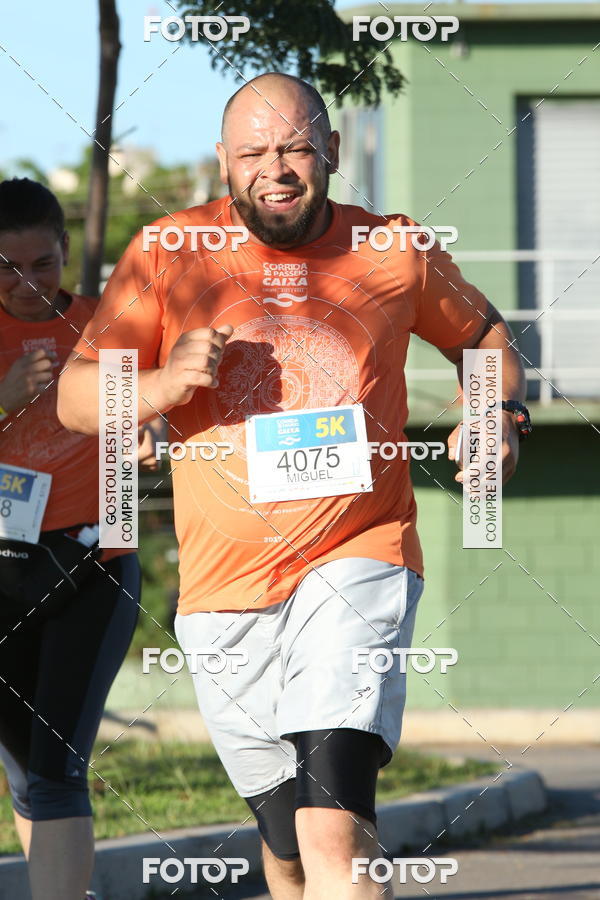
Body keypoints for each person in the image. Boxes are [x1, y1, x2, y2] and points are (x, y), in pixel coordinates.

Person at [58, 73, 527, 898]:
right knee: (285, 845)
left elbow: (487, 339)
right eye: (253, 152)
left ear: (332, 152)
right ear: (222, 162)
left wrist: (495, 415)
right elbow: (76, 396)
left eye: (295, 147)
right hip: (223, 592)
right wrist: (162, 386)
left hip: (359, 554)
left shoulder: (395, 250)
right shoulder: (167, 253)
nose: (275, 168)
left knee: (332, 828)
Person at [0, 178, 141, 900]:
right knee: (27, 777)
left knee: (56, 772)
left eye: (43, 263)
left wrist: (147, 433)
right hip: (2, 571)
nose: (28, 285)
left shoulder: (106, 325)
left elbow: (144, 413)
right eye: (6, 267)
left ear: (67, 250)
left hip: (95, 560)